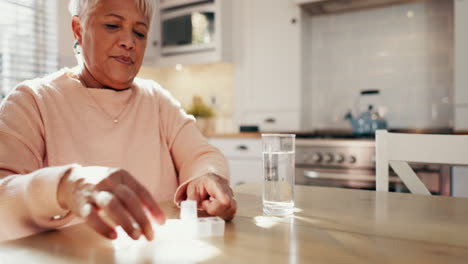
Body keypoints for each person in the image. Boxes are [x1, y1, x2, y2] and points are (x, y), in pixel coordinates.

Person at [0, 0, 236, 242]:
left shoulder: (158, 101)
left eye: (139, 32)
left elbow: (202, 155)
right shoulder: (32, 101)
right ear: (78, 30)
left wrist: (206, 177)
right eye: (113, 25)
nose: (128, 42)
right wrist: (64, 186)